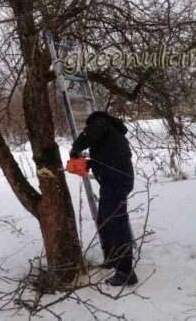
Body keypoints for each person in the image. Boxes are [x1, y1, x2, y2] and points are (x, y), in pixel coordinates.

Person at [69, 111, 137, 286]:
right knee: (105, 220)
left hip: (116, 182)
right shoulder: (111, 133)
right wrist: (87, 163)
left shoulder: (101, 124)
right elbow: (108, 157)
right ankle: (113, 258)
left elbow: (88, 135)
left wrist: (75, 149)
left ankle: (125, 272)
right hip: (115, 180)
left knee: (116, 222)